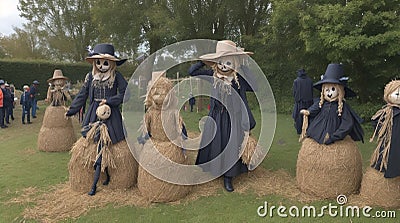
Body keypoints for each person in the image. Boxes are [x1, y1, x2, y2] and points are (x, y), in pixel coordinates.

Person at [188, 40, 256, 192]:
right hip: (216, 116)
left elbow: (254, 86)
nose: (224, 65)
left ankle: (228, 177)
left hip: (233, 119)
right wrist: (202, 62)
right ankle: (214, 170)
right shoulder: (212, 75)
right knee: (215, 144)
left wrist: (243, 64)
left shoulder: (239, 79)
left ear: (234, 63)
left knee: (230, 146)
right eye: (220, 62)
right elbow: (192, 72)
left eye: (228, 62)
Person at [65, 43, 129, 196]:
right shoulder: (90, 77)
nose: (101, 65)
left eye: (105, 62)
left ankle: (109, 173)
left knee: (111, 143)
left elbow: (127, 93)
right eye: (98, 62)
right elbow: (82, 95)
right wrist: (71, 110)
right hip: (94, 113)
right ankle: (97, 177)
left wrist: (110, 101)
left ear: (112, 63)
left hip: (110, 113)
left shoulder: (116, 76)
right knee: (93, 142)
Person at [300, 63, 364, 144]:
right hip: (317, 129)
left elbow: (347, 123)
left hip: (333, 132)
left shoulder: (342, 106)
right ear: (323, 91)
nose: (329, 93)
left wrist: (335, 136)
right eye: (327, 90)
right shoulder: (322, 102)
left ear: (339, 91)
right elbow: (316, 107)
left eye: (333, 89)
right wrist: (308, 111)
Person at [292, 68, 313, 134]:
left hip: (300, 102)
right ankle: (308, 130)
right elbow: (311, 91)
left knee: (299, 117)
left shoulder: (296, 81)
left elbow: (294, 92)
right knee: (308, 116)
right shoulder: (310, 81)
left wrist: (296, 99)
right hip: (309, 102)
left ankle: (299, 131)